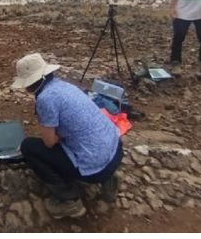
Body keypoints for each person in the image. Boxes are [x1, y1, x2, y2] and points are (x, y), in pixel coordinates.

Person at [12, 53, 123, 219]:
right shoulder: (64, 86)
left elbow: (49, 142)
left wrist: (55, 138)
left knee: (29, 146)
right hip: (116, 151)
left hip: (94, 167)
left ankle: (69, 201)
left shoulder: (45, 98)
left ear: (29, 84)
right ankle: (109, 180)